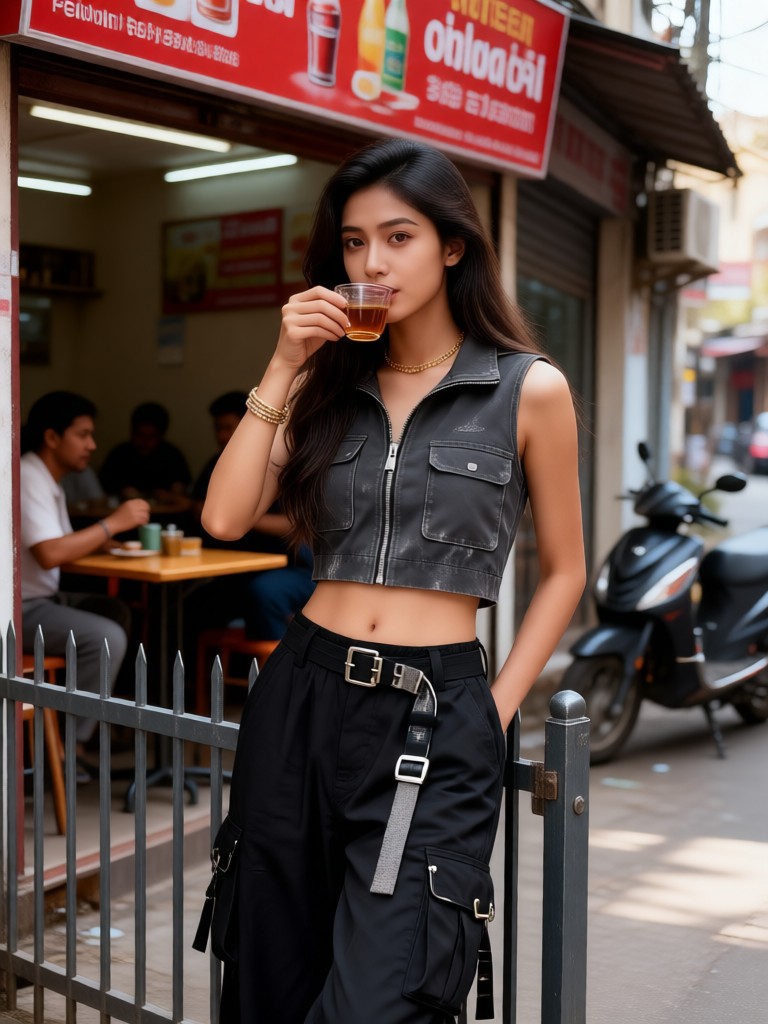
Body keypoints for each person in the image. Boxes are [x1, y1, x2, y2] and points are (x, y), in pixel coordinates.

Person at [200, 138, 586, 1022]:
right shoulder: (326, 386)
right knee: (268, 974)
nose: (372, 262)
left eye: (399, 236)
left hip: (434, 711)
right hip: (302, 693)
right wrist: (282, 365)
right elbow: (223, 518)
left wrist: (491, 710)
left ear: (452, 246)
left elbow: (565, 568)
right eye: (353, 241)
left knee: (389, 991)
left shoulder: (527, 389)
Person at [20, 391, 150, 751]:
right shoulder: (29, 476)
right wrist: (113, 524)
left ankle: (85, 721)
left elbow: (55, 543)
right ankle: (69, 746)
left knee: (114, 610)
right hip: (21, 607)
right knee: (105, 636)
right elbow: (49, 554)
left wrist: (100, 543)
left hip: (42, 596)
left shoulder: (46, 477)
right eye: (83, 434)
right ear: (51, 437)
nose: (92, 445)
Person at [184, 391, 314, 676]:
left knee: (264, 592)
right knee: (194, 606)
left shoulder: (279, 460)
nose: (221, 435)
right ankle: (195, 687)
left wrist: (241, 516)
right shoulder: (217, 463)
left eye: (228, 427)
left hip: (287, 564)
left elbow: (296, 523)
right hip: (233, 567)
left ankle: (278, 677)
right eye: (217, 428)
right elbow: (200, 508)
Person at [99, 401, 191, 501]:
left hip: (165, 514)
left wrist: (172, 496)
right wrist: (123, 492)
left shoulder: (172, 455)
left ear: (161, 436)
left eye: (151, 437)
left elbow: (181, 490)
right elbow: (103, 490)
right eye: (140, 435)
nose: (144, 442)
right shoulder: (119, 454)